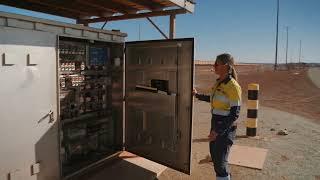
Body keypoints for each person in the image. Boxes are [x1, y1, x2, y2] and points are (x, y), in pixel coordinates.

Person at [194, 53, 241, 180]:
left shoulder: (233, 86)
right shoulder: (219, 82)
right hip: (215, 123)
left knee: (220, 163)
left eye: (216, 64)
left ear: (225, 66)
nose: (213, 66)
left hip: (225, 127)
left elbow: (234, 114)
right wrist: (197, 95)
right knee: (215, 158)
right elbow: (213, 98)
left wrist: (218, 131)